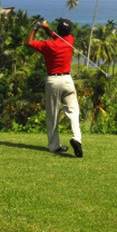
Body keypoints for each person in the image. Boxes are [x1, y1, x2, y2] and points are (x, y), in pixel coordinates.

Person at [25, 19, 83, 158]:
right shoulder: (70, 41)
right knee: (73, 112)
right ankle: (77, 139)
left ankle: (54, 146)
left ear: (57, 30)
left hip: (53, 81)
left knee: (53, 115)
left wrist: (36, 28)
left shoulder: (48, 45)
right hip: (67, 80)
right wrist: (47, 29)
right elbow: (57, 36)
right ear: (69, 32)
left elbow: (28, 43)